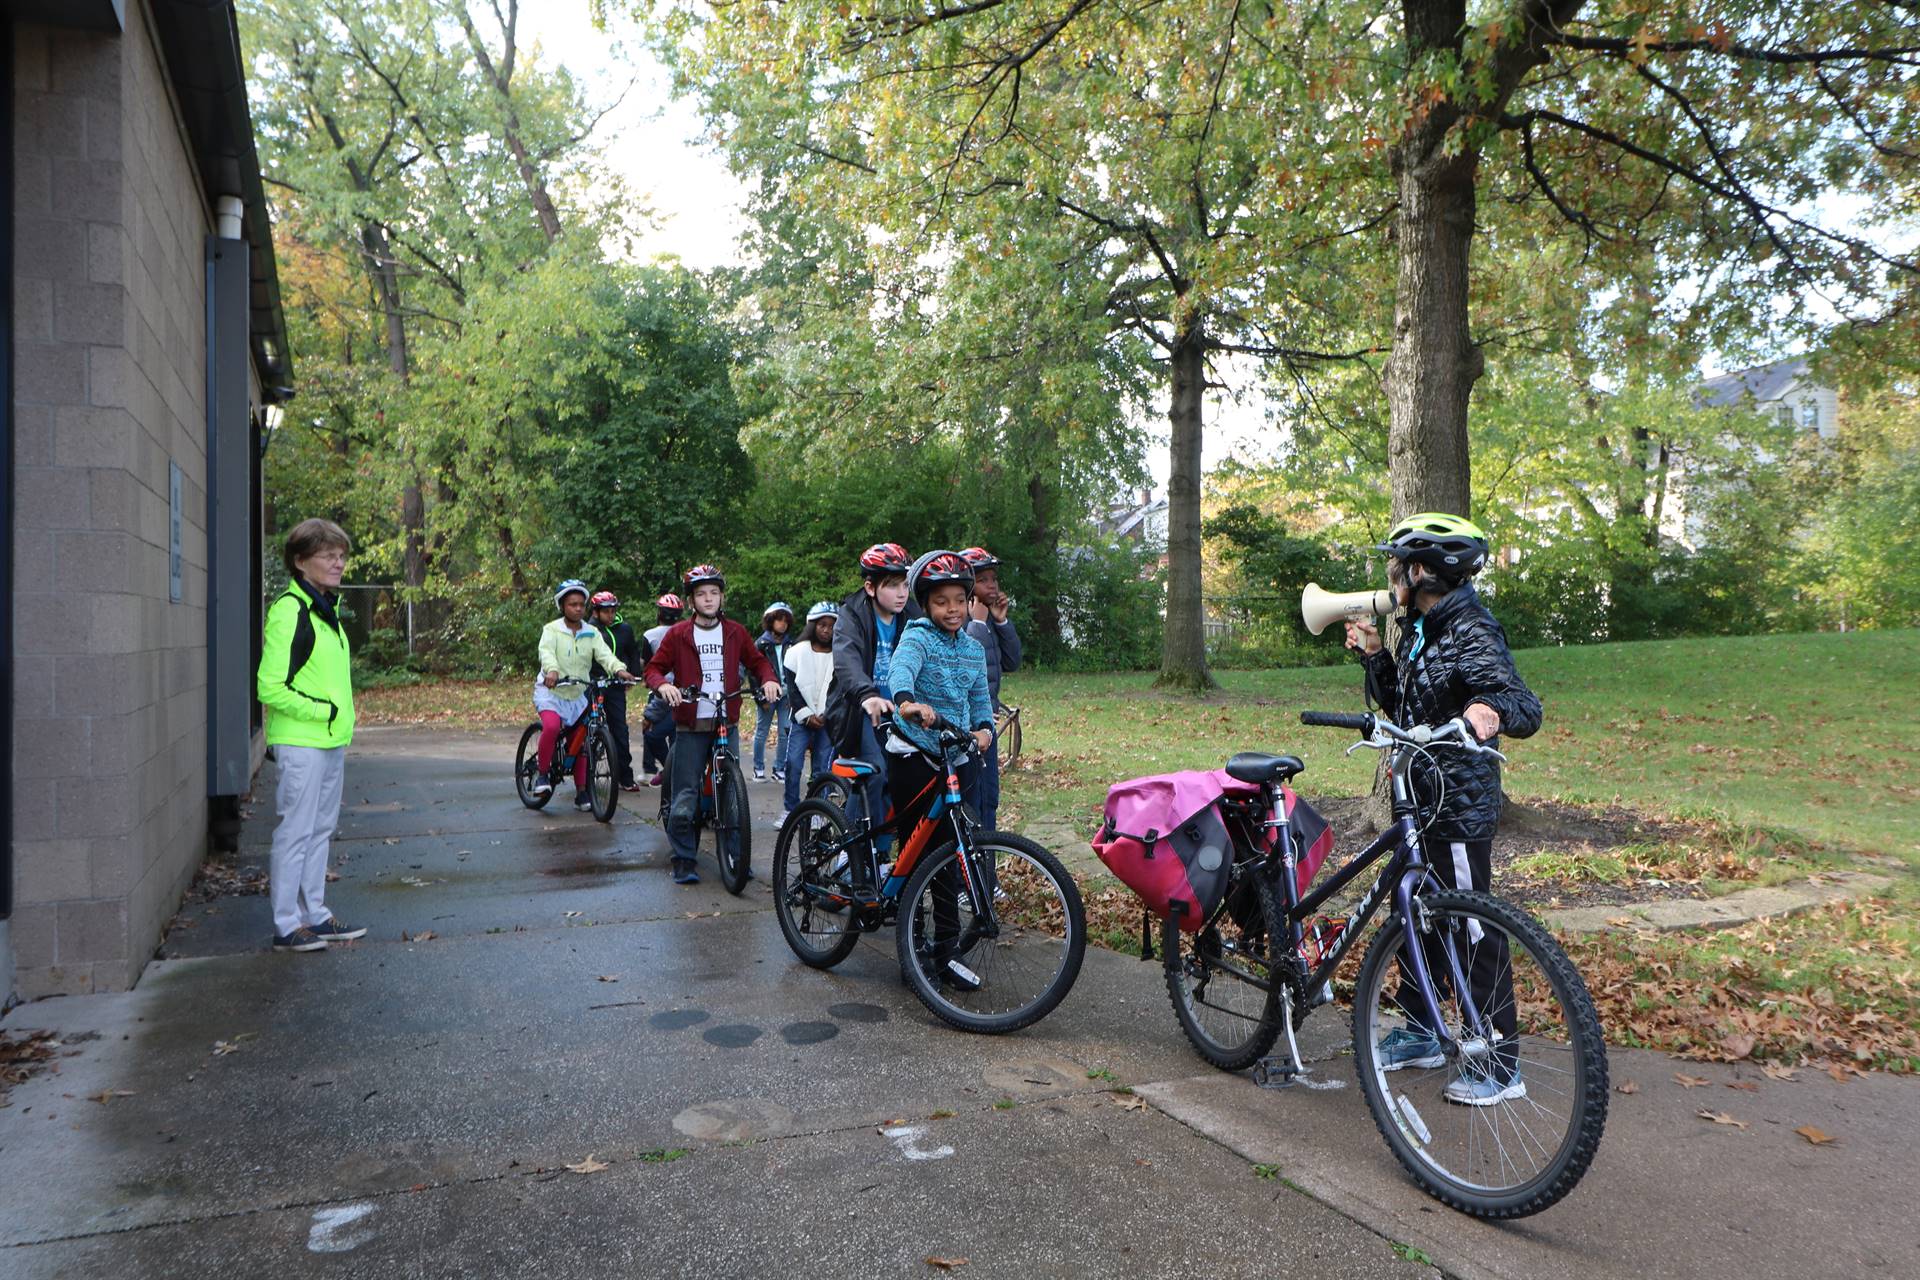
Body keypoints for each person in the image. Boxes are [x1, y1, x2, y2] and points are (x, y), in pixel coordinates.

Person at [1342, 512, 1541, 1107]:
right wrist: (1378, 658)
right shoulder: (1427, 626)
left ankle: (1500, 1061)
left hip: (1457, 805)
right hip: (1423, 801)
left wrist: (1490, 710)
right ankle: (1423, 1030)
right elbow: (1406, 703)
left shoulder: (1472, 629)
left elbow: (1522, 704)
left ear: (1423, 571)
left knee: (1473, 927)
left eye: (1396, 564)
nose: (1390, 575)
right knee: (1418, 916)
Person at [885, 551, 997, 990]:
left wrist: (985, 730)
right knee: (916, 855)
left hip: (956, 757)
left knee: (950, 859)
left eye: (959, 599)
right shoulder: (916, 637)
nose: (951, 609)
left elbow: (981, 701)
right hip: (913, 751)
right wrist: (907, 702)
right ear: (925, 605)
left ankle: (946, 954)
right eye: (941, 601)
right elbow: (901, 669)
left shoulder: (972, 648)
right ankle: (910, 952)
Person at [257, 518, 365, 953]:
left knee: (320, 830)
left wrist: (335, 719)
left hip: (329, 740)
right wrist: (325, 711)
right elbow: (270, 686)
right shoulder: (291, 610)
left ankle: (315, 916)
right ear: (301, 561)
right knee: (296, 832)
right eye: (328, 556)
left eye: (341, 556)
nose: (338, 563)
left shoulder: (326, 609)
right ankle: (287, 924)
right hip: (302, 741)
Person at [644, 565, 781, 884]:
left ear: (722, 597)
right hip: (691, 724)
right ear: (691, 601)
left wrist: (770, 679)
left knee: (732, 798)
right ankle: (684, 857)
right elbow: (654, 669)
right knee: (685, 798)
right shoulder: (678, 634)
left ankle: (736, 855)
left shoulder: (735, 631)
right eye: (701, 594)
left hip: (726, 722)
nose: (709, 599)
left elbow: (758, 662)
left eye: (714, 593)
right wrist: (663, 685)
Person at [826, 542, 922, 833]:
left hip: (901, 711)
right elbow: (846, 659)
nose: (902, 593)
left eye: (905, 584)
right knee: (876, 773)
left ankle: (878, 852)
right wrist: (867, 695)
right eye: (893, 585)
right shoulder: (851, 614)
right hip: (862, 711)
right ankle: (851, 848)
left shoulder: (913, 616)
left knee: (905, 780)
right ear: (870, 587)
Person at [535, 579, 635, 811]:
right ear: (562, 606)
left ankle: (581, 792)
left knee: (581, 741)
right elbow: (546, 652)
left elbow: (604, 655)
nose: (578, 608)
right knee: (551, 727)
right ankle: (542, 775)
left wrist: (619, 669)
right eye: (572, 604)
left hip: (579, 693)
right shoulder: (551, 630)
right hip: (552, 691)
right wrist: (552, 670)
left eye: (581, 604)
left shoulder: (591, 632)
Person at [959, 546, 1021, 830]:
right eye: (984, 579)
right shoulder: (959, 620)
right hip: (966, 726)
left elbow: (1012, 661)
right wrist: (979, 624)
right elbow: (970, 669)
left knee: (989, 798)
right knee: (972, 799)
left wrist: (1001, 621)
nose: (993, 585)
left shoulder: (987, 620)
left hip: (988, 721)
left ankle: (985, 868)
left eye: (994, 578)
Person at [781, 601, 839, 820]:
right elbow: (792, 690)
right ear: (812, 625)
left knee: (822, 768)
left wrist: (826, 714)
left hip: (827, 720)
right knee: (793, 764)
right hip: (801, 720)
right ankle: (790, 808)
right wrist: (806, 715)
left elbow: (839, 689)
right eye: (822, 625)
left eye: (832, 626)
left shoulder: (841, 654)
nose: (826, 630)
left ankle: (817, 810)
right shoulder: (796, 652)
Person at [589, 591, 643, 791]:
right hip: (592, 684)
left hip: (615, 685)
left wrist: (633, 675)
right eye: (606, 612)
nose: (611, 615)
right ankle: (586, 772)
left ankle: (624, 776)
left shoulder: (624, 629)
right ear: (596, 612)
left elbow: (632, 652)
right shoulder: (588, 629)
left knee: (620, 729)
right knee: (587, 727)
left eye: (613, 611)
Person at [639, 593, 684, 786]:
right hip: (683, 690)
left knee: (651, 733)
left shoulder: (649, 635)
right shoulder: (686, 631)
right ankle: (674, 771)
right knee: (676, 733)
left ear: (659, 613)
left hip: (661, 690)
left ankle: (669, 770)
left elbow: (646, 663)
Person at [752, 602, 795, 783]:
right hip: (767, 694)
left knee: (785, 731)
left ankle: (779, 768)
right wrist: (760, 698)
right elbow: (753, 673)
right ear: (771, 621)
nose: (782, 624)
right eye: (779, 619)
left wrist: (794, 695)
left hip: (786, 694)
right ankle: (758, 768)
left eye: (786, 621)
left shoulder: (791, 643)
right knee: (762, 731)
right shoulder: (761, 644)